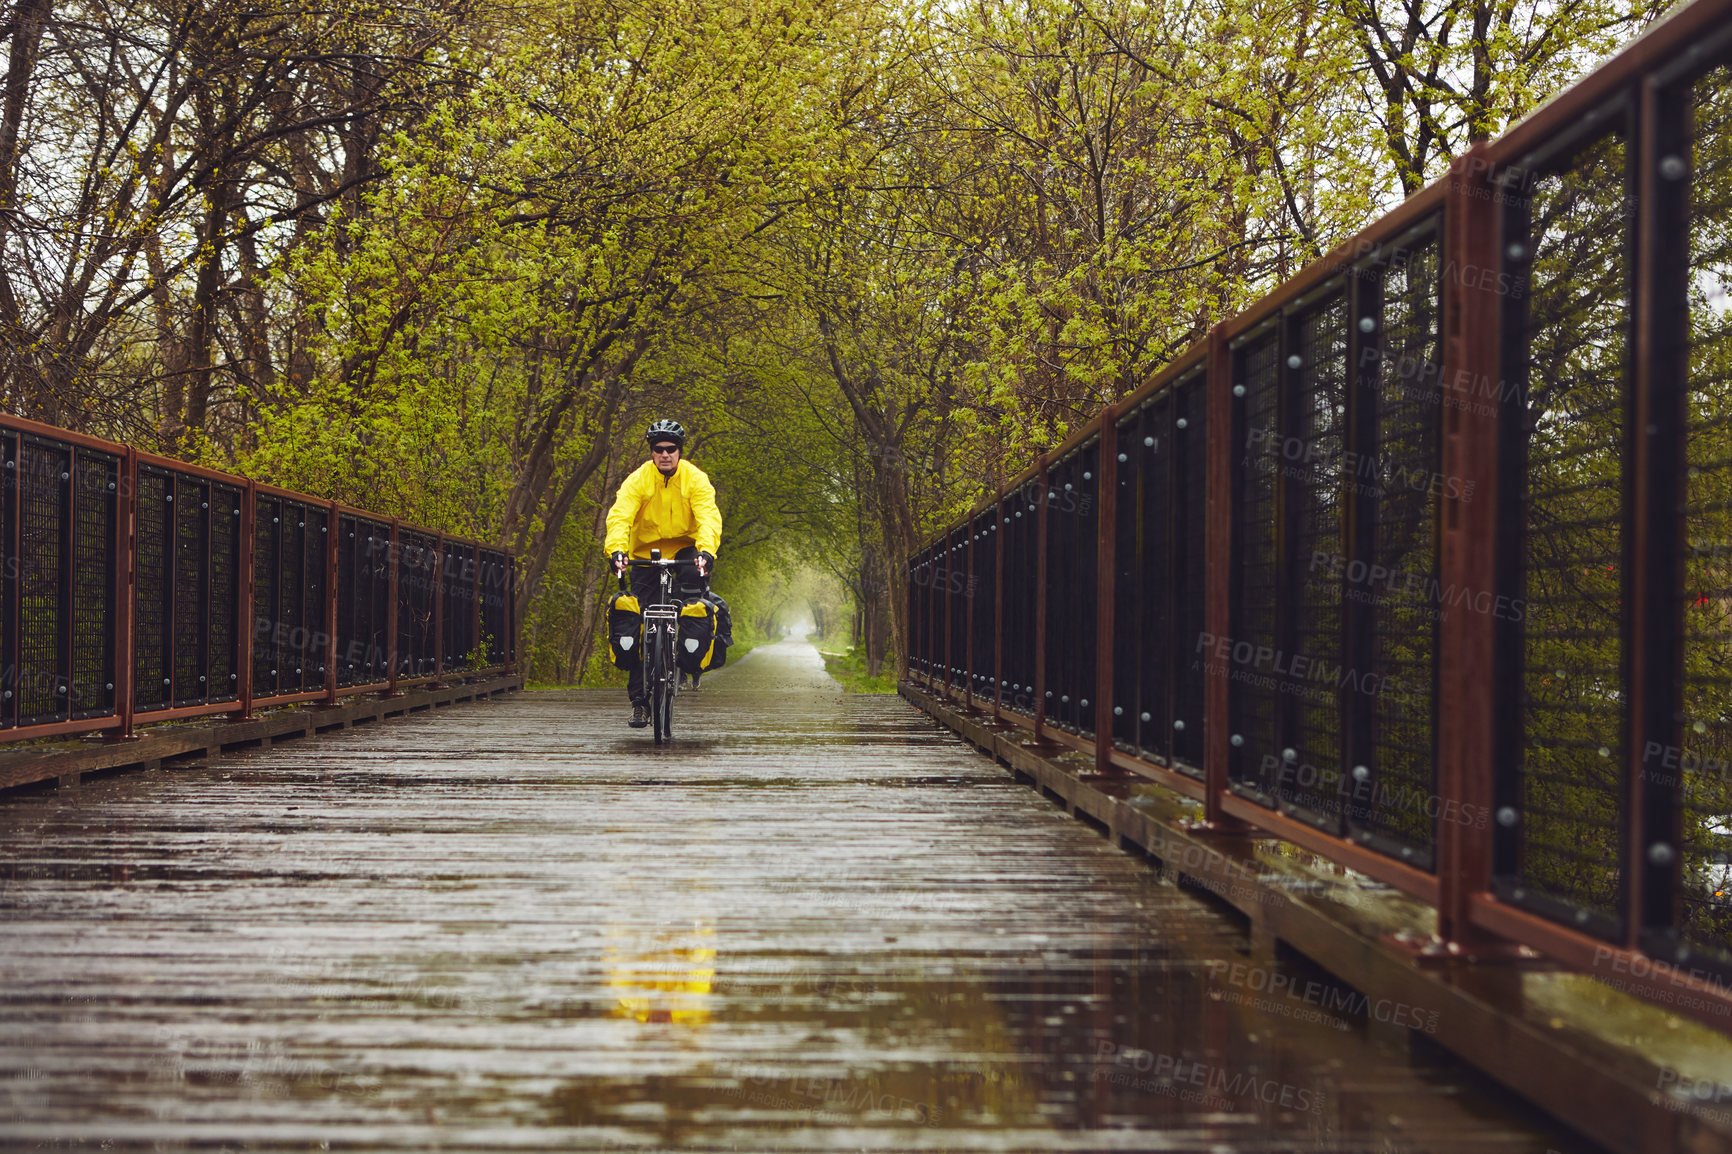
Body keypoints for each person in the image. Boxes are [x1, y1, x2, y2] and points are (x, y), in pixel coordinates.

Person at [604, 419, 722, 727]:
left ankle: (684, 658)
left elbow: (708, 516)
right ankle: (639, 702)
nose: (665, 454)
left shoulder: (695, 479)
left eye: (671, 449)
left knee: (693, 601)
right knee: (639, 622)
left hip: (685, 550)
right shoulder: (638, 480)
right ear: (652, 452)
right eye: (659, 449)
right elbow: (620, 516)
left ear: (680, 452)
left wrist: (706, 552)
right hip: (645, 553)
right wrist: (617, 550)